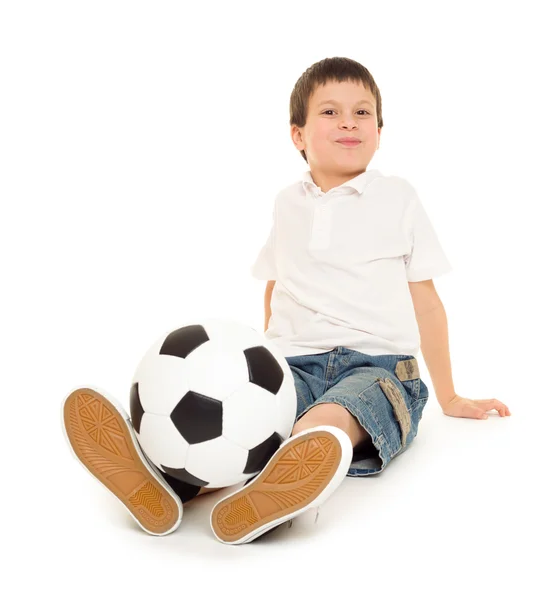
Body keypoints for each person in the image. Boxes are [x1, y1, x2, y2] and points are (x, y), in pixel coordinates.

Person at [62, 56, 511, 546]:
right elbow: (276, 284)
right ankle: (169, 480)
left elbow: (425, 300)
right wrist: (264, 358)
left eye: (363, 113)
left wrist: (448, 395)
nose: (348, 122)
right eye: (330, 112)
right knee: (238, 419)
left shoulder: (398, 197)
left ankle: (291, 480)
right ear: (297, 135)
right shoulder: (288, 202)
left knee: (339, 412)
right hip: (293, 363)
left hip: (379, 364)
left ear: (380, 131)